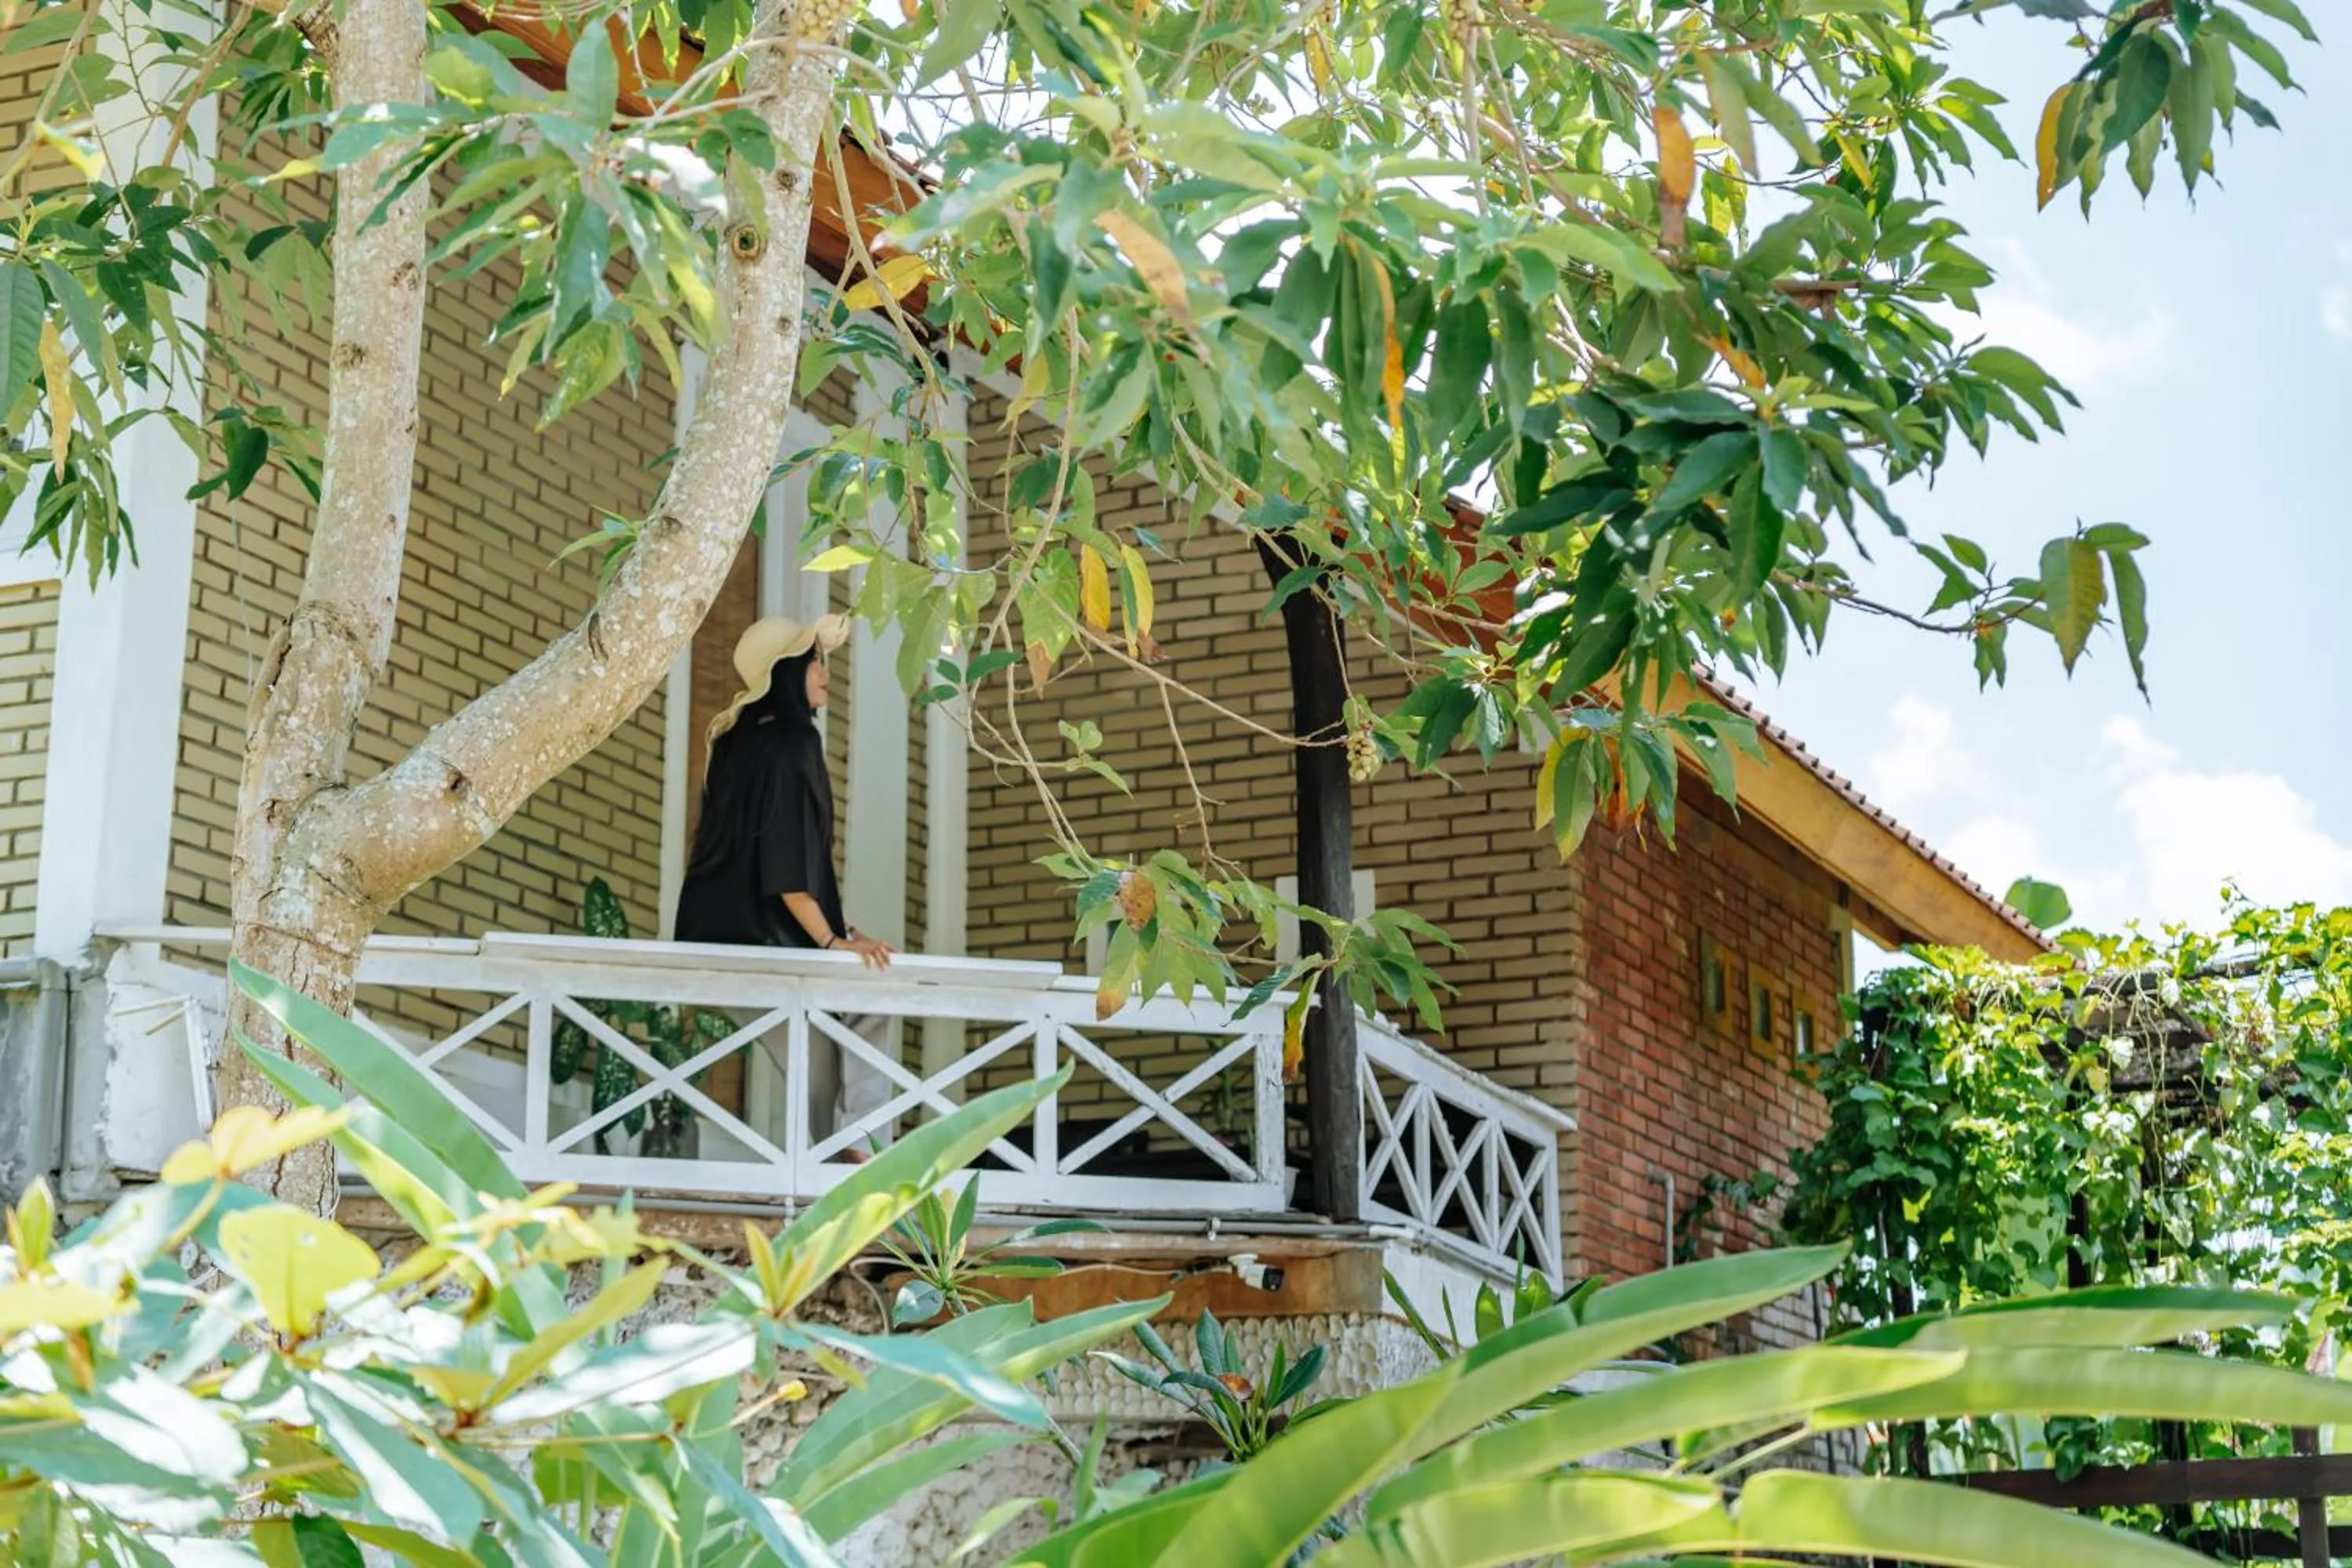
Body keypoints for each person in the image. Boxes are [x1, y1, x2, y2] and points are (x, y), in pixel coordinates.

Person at [675, 614, 897, 1158]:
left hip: (715, 941)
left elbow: (762, 859)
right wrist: (831, 942)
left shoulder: (737, 745)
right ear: (787, 672)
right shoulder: (795, 741)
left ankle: (849, 1157)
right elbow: (787, 862)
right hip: (766, 947)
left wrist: (838, 929)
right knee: (872, 994)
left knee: (827, 1049)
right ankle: (863, 1156)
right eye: (815, 661)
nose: (825, 672)